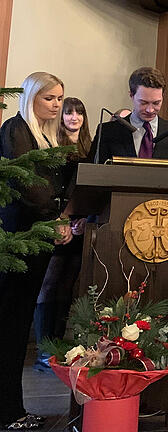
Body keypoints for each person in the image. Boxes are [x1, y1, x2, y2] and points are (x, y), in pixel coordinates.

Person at [0, 71, 66, 430]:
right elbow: (27, 183)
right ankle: (7, 412)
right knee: (9, 325)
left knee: (18, 323)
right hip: (17, 236)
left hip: (37, 237)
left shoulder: (47, 136)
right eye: (49, 98)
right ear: (31, 98)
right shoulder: (16, 129)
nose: (55, 105)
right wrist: (53, 217)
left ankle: (13, 408)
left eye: (59, 99)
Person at [33, 97, 92, 372]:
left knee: (67, 287)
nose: (73, 117)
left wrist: (82, 221)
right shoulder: (54, 145)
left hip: (79, 228)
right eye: (68, 112)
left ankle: (58, 348)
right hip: (55, 224)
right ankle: (44, 350)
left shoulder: (90, 147)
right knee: (49, 285)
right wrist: (62, 220)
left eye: (78, 112)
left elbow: (90, 191)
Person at [94, 67, 168, 163]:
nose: (150, 110)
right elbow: (92, 173)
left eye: (156, 103)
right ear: (131, 95)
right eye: (143, 103)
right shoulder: (108, 131)